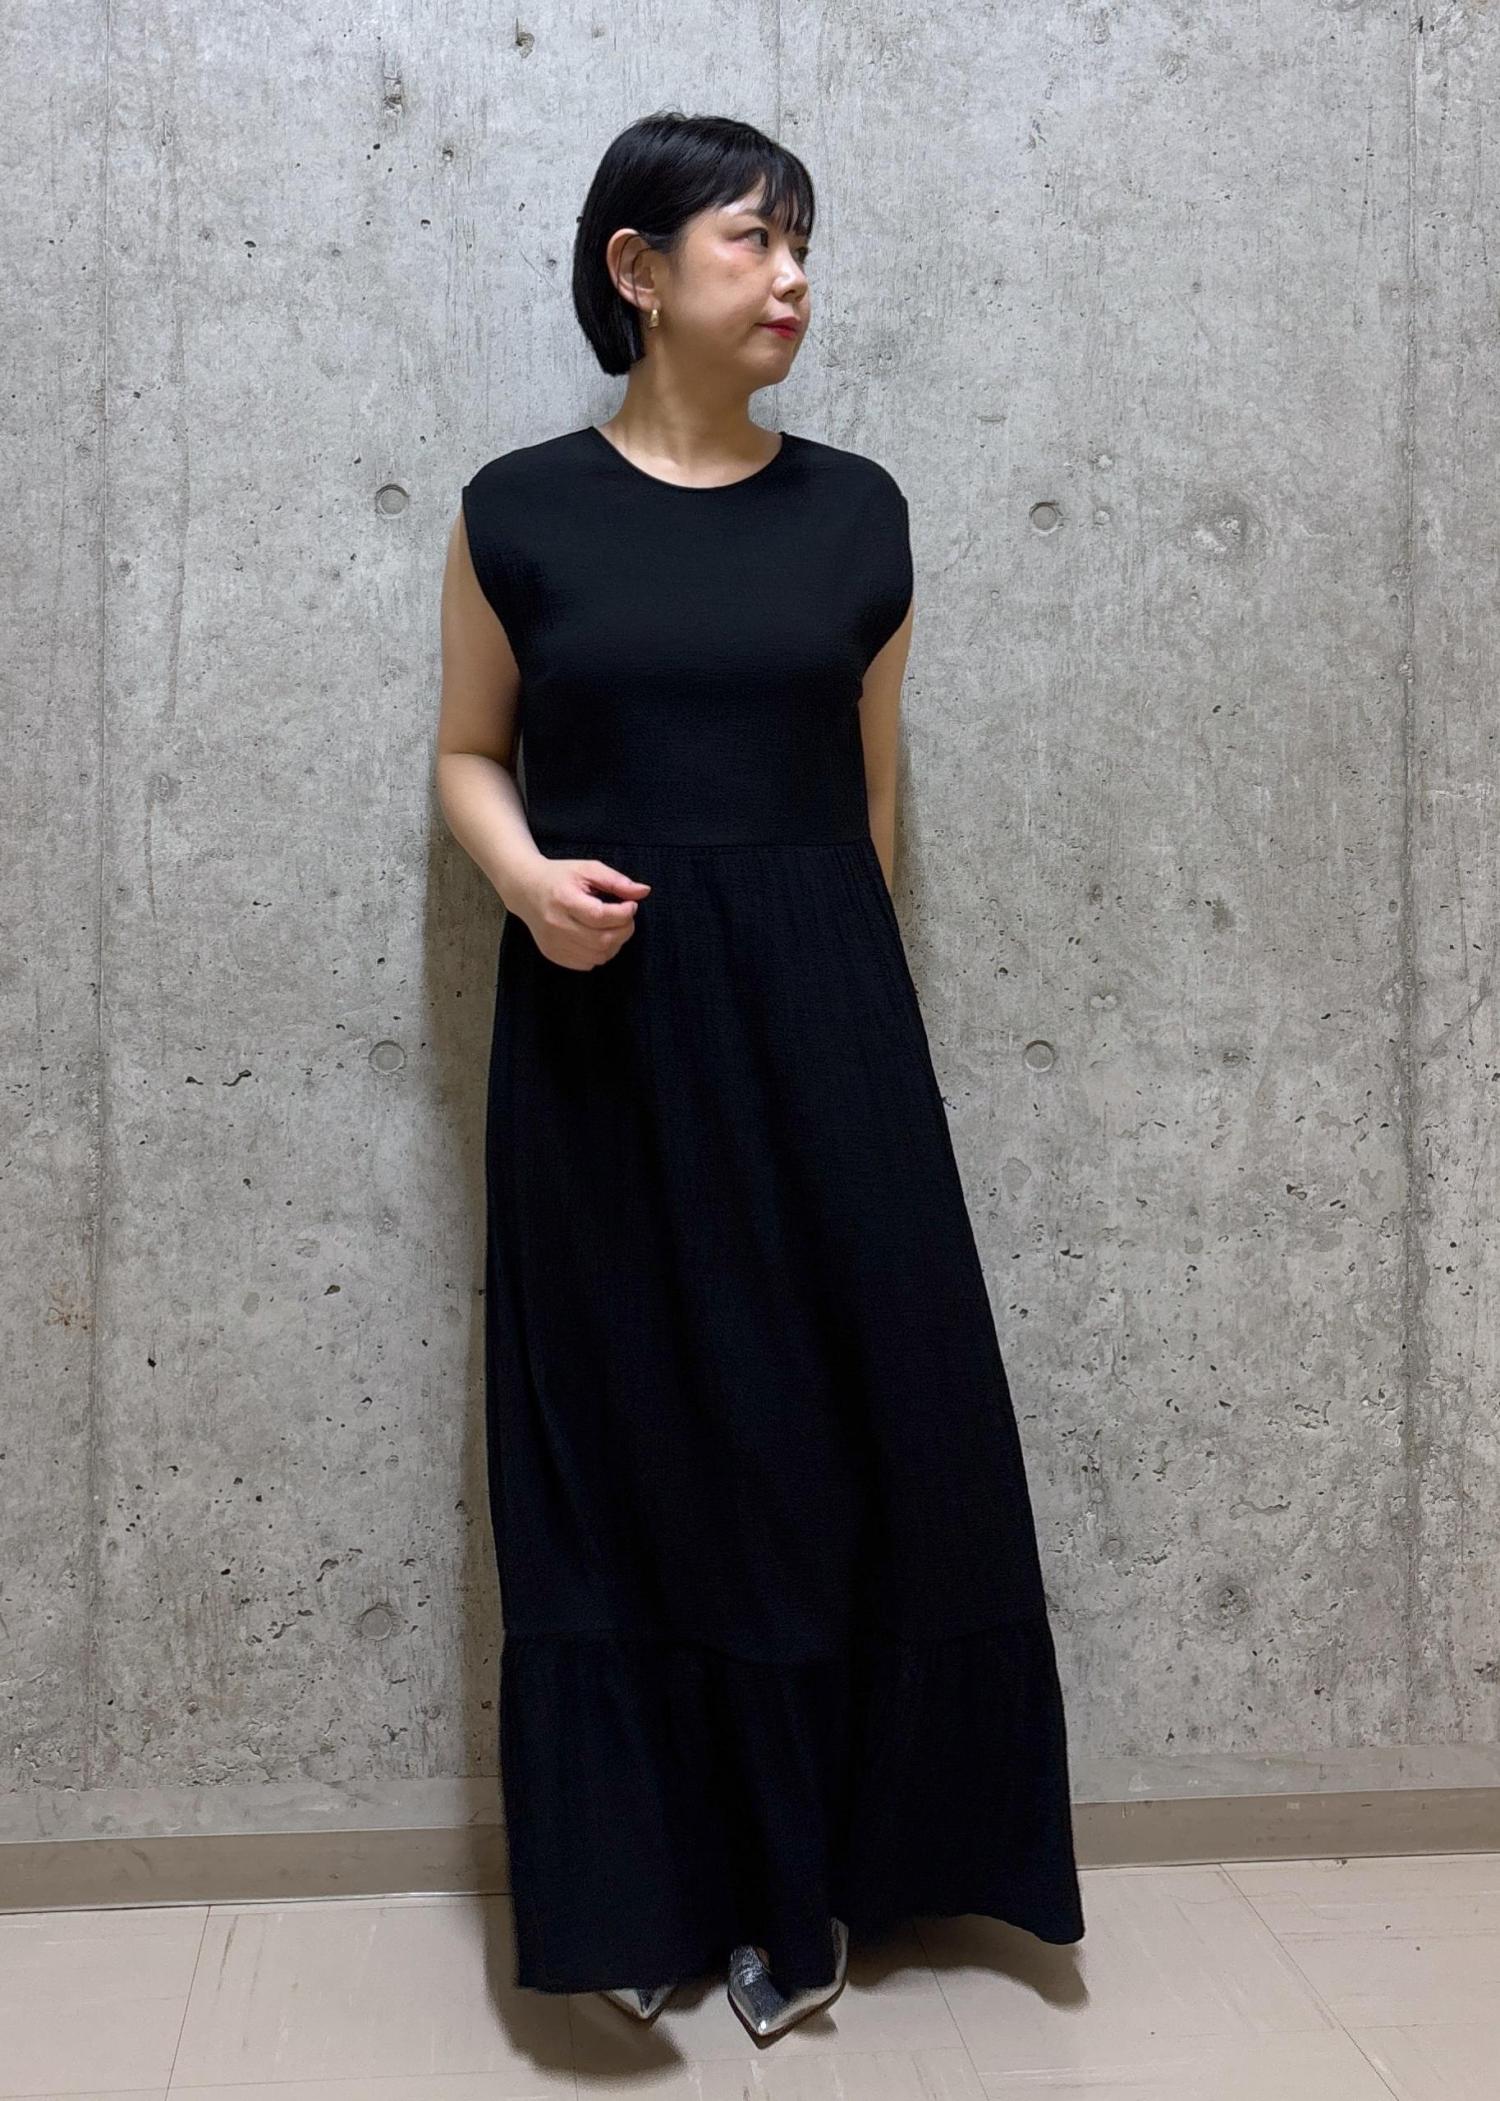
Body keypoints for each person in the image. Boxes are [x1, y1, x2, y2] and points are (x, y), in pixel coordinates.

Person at [436, 108, 1085, 2044]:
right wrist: (525, 882)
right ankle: (643, 1881)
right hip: (603, 1034)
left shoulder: (861, 516)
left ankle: (807, 1879)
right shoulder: (517, 512)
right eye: (754, 241)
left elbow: (867, 805)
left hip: (822, 1027)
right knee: (622, 1436)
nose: (793, 278)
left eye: (805, 245)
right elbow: (467, 754)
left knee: (825, 1437)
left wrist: (845, 1016)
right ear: (637, 272)